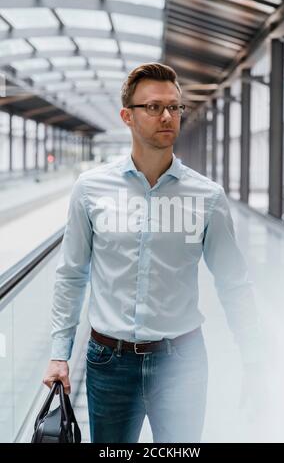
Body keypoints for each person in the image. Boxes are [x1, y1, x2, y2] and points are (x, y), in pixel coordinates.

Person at [43, 63, 261, 443]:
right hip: (108, 362)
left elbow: (233, 282)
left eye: (175, 108)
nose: (167, 116)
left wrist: (254, 356)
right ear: (127, 116)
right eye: (154, 107)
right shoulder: (90, 189)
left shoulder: (207, 196)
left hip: (183, 362)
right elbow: (72, 273)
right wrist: (60, 353)